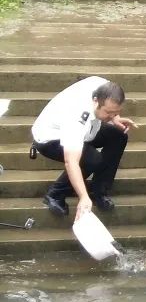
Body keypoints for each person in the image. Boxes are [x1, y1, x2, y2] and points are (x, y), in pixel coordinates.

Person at [30, 77, 134, 219]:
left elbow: (111, 105)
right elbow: (71, 161)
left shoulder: (104, 86)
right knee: (92, 159)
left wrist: (114, 118)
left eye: (115, 112)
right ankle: (55, 194)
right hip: (50, 138)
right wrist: (83, 197)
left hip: (89, 130)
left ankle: (99, 191)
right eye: (108, 112)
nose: (111, 116)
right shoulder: (75, 115)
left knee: (118, 136)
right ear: (95, 100)